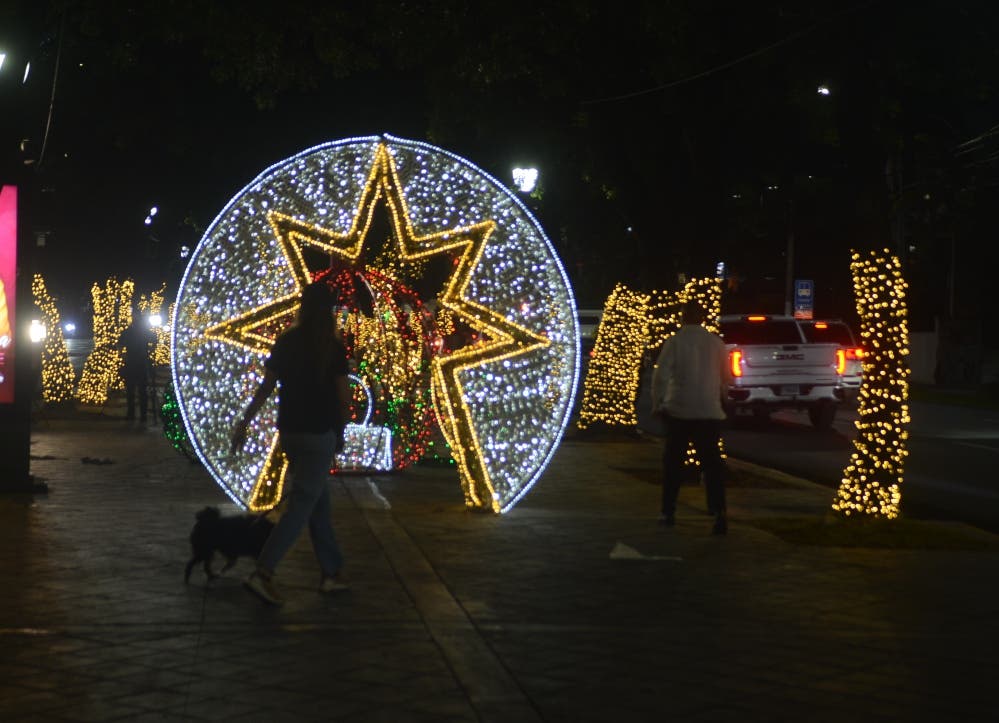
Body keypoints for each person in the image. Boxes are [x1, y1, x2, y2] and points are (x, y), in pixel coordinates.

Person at [231, 281, 352, 605]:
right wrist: (340, 431)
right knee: (301, 505)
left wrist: (245, 420)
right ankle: (263, 572)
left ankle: (331, 572)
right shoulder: (332, 348)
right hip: (319, 434)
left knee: (317, 503)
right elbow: (343, 396)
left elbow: (266, 387)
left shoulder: (286, 342)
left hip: (291, 434)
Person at [651, 301, 732, 535]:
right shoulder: (716, 343)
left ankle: (668, 511)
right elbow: (726, 376)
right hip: (708, 412)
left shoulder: (675, 342)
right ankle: (719, 511)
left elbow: (661, 375)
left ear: (683, 318)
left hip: (679, 410)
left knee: (673, 463)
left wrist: (658, 403)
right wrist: (721, 397)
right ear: (703, 318)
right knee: (712, 465)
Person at [118, 311, 157, 424]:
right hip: (139, 363)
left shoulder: (131, 331)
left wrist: (122, 354)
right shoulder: (142, 331)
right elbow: (154, 341)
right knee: (139, 390)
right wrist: (150, 351)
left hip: (134, 363)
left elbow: (120, 344)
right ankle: (140, 415)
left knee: (134, 390)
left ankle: (133, 414)